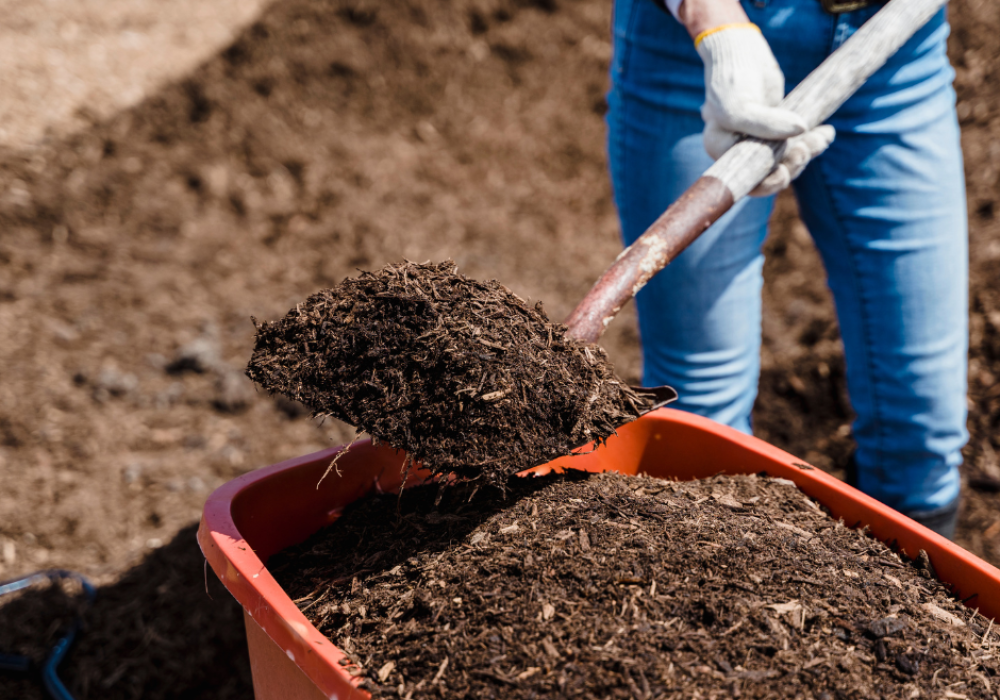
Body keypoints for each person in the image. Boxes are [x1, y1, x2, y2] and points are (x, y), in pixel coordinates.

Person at [606, 0, 967, 538]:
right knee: (701, 413)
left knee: (921, 425)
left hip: (896, 44)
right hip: (701, 50)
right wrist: (715, 23)